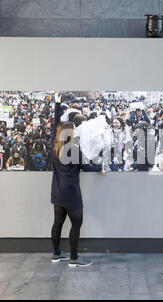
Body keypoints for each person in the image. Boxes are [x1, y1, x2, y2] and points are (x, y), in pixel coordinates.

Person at [50, 92, 105, 267]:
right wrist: (100, 167)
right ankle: (74, 259)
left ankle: (56, 254)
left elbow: (55, 126)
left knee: (58, 222)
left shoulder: (56, 145)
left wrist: (57, 104)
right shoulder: (74, 149)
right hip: (71, 192)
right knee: (76, 224)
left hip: (57, 191)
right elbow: (87, 167)